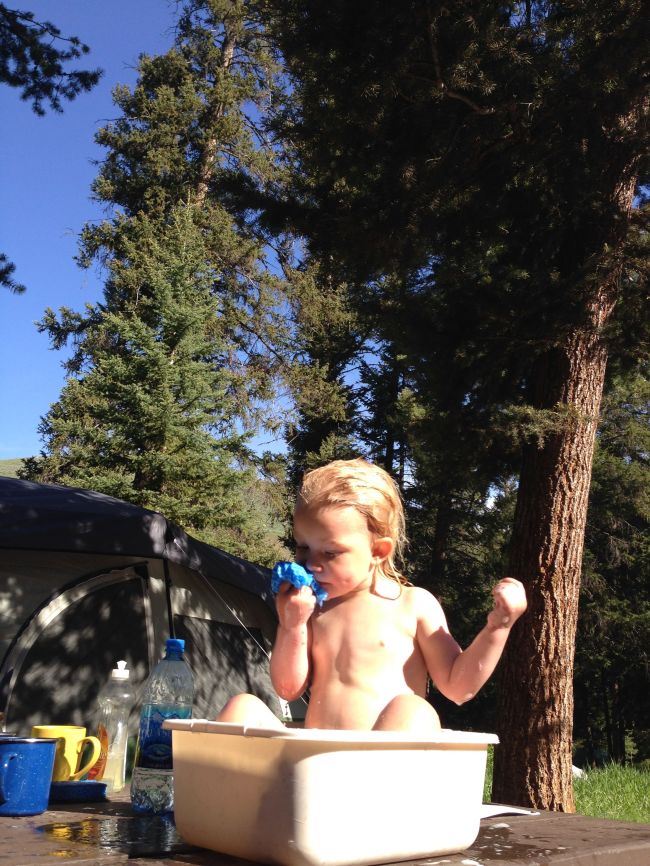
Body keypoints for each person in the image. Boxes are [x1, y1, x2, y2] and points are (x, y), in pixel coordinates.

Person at [218, 458, 527, 732]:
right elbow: (288, 688)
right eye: (302, 547)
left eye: (330, 552)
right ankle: (229, 795)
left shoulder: (412, 604)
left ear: (378, 551)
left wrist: (498, 627)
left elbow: (458, 687)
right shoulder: (315, 609)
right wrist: (293, 625)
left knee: (414, 710)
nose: (311, 563)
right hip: (315, 763)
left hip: (380, 764)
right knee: (241, 708)